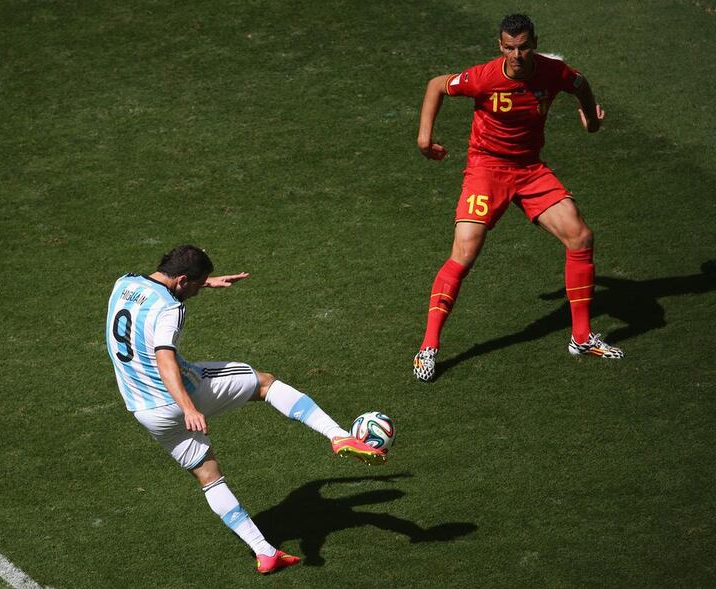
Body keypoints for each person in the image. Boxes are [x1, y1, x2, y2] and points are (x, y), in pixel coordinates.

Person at [105, 244, 386, 574]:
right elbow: (164, 357)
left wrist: (206, 282)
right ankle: (338, 435)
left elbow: (160, 291)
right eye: (196, 284)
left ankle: (265, 552)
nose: (197, 291)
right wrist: (189, 408)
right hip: (179, 394)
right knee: (264, 383)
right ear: (182, 280)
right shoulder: (172, 310)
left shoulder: (123, 283)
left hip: (145, 410)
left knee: (207, 475)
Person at [412, 13, 624, 382]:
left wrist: (591, 120)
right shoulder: (482, 77)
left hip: (530, 170)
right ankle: (428, 347)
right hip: (486, 170)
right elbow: (435, 85)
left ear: (534, 43)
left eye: (523, 47)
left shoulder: (552, 72)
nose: (517, 55)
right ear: (500, 46)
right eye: (509, 48)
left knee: (580, 237)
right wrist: (424, 139)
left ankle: (581, 338)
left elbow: (581, 84)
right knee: (464, 253)